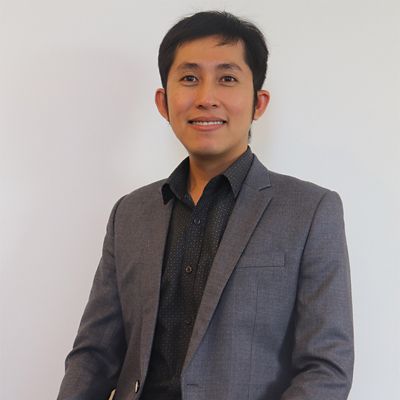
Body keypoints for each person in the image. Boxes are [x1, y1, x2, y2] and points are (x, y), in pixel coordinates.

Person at [57, 11, 354, 400]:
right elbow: (93, 355)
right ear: (164, 102)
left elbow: (326, 367)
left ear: (258, 102)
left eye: (227, 78)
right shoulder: (130, 213)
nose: (206, 98)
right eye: (189, 78)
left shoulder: (311, 211)